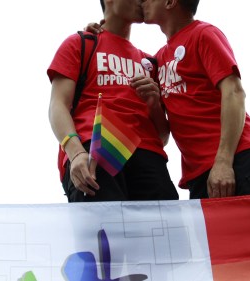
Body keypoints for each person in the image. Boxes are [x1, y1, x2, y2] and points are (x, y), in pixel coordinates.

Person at [141, 0, 250, 199]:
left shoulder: (203, 34)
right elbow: (162, 136)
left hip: (239, 161)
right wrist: (100, 31)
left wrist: (223, 161)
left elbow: (234, 92)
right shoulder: (159, 59)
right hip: (200, 178)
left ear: (170, 2)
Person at [47, 0, 178, 202]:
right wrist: (75, 153)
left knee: (162, 232)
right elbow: (58, 105)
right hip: (94, 148)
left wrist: (153, 103)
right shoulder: (80, 43)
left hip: (149, 158)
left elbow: (162, 137)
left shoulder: (151, 62)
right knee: (103, 232)